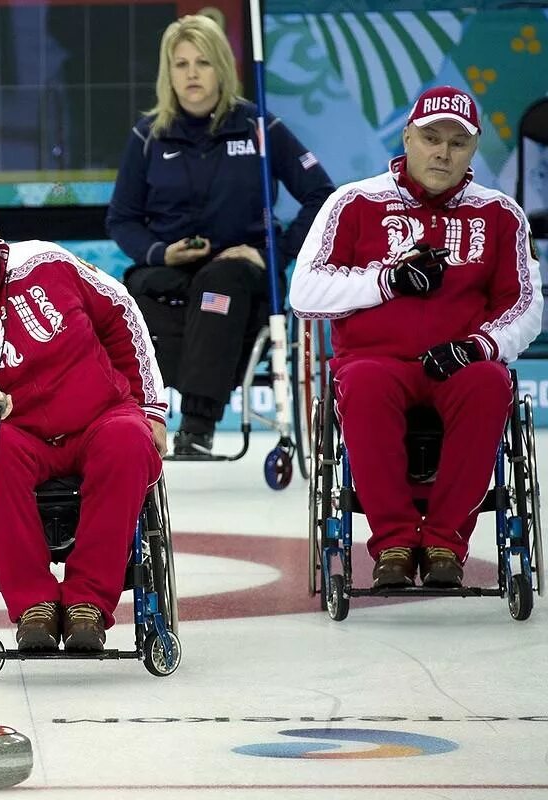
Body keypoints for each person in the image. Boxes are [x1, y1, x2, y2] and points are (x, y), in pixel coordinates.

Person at [290, 85, 543, 588]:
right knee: (363, 385)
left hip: (460, 359)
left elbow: (526, 304)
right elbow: (304, 292)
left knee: (490, 383)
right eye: (431, 138)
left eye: (457, 143)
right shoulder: (354, 202)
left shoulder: (500, 214)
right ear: (408, 137)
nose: (442, 152)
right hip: (375, 360)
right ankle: (395, 545)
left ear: (473, 150)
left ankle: (447, 543)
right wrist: (386, 280)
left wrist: (479, 345)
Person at [0, 191, 169, 652]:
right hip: (9, 428)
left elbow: (121, 311)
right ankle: (35, 604)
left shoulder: (47, 263)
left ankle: (87, 603)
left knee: (129, 440)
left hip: (98, 416)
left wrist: (152, 408)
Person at [107, 14, 334, 455]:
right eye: (181, 64)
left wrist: (277, 256)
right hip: (172, 270)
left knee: (219, 285)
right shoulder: (148, 135)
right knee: (133, 292)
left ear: (222, 69)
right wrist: (161, 252)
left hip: (239, 275)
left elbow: (321, 194)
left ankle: (197, 424)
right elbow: (122, 219)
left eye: (203, 63)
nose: (191, 74)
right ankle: (140, 420)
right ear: (167, 73)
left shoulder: (259, 128)